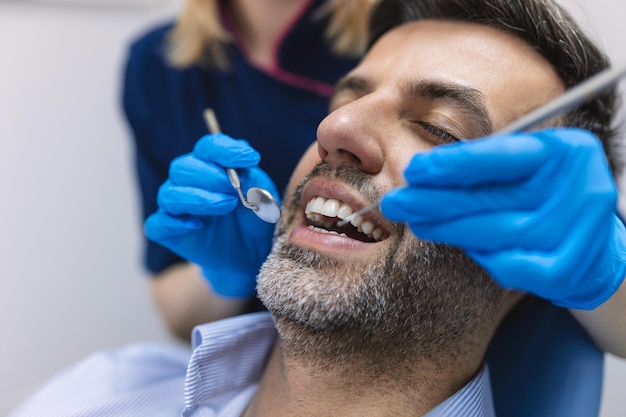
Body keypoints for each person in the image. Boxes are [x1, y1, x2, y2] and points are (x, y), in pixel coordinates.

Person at [9, 0, 626, 415]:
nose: (336, 126)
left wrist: (609, 278)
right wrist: (229, 272)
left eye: (440, 129)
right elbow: (173, 302)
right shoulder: (108, 390)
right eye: (344, 97)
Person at [122, 0, 376, 340]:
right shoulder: (158, 64)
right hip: (253, 356)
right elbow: (178, 316)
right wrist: (222, 275)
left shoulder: (395, 32)